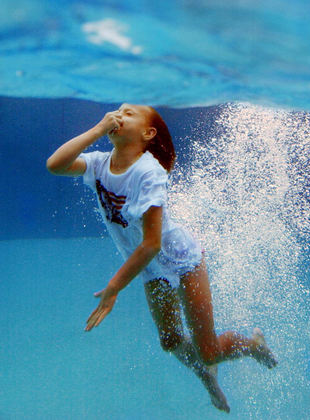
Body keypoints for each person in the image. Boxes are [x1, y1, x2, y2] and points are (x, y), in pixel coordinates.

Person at [47, 104, 277, 413]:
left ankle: (251, 346)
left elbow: (152, 243)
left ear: (148, 133)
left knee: (208, 350)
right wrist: (96, 130)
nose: (118, 115)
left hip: (182, 261)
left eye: (128, 113)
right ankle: (207, 378)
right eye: (116, 111)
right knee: (170, 341)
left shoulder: (149, 172)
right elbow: (55, 165)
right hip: (152, 269)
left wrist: (114, 287)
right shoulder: (99, 164)